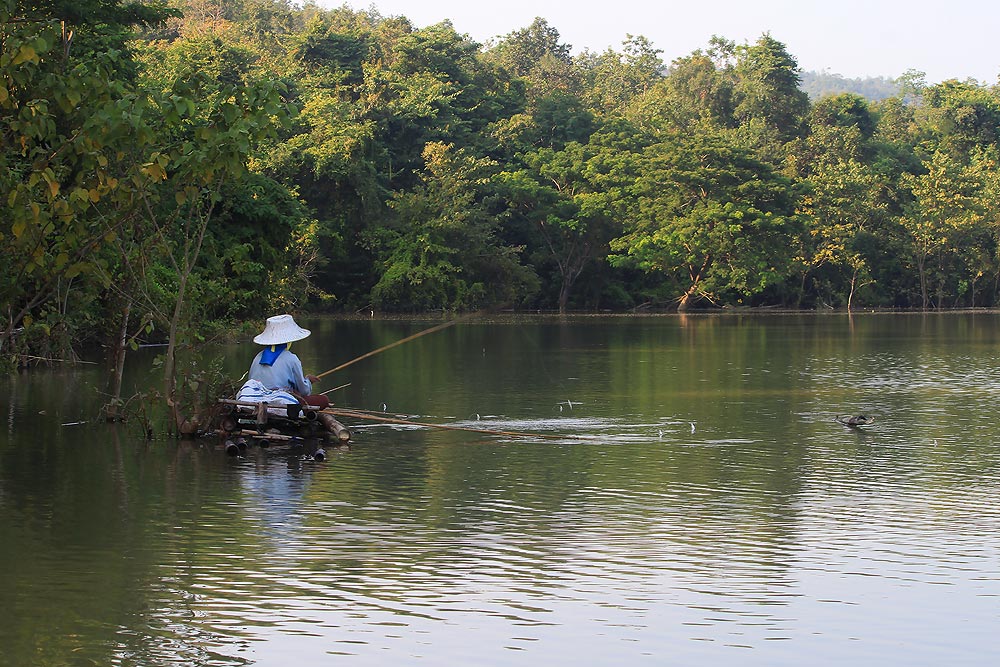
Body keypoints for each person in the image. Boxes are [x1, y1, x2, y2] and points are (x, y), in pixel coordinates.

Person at [238, 314, 330, 409]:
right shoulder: (292, 358)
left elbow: (252, 381)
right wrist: (308, 381)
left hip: (254, 400)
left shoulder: (258, 356)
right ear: (288, 341)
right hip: (280, 401)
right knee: (324, 400)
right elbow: (304, 391)